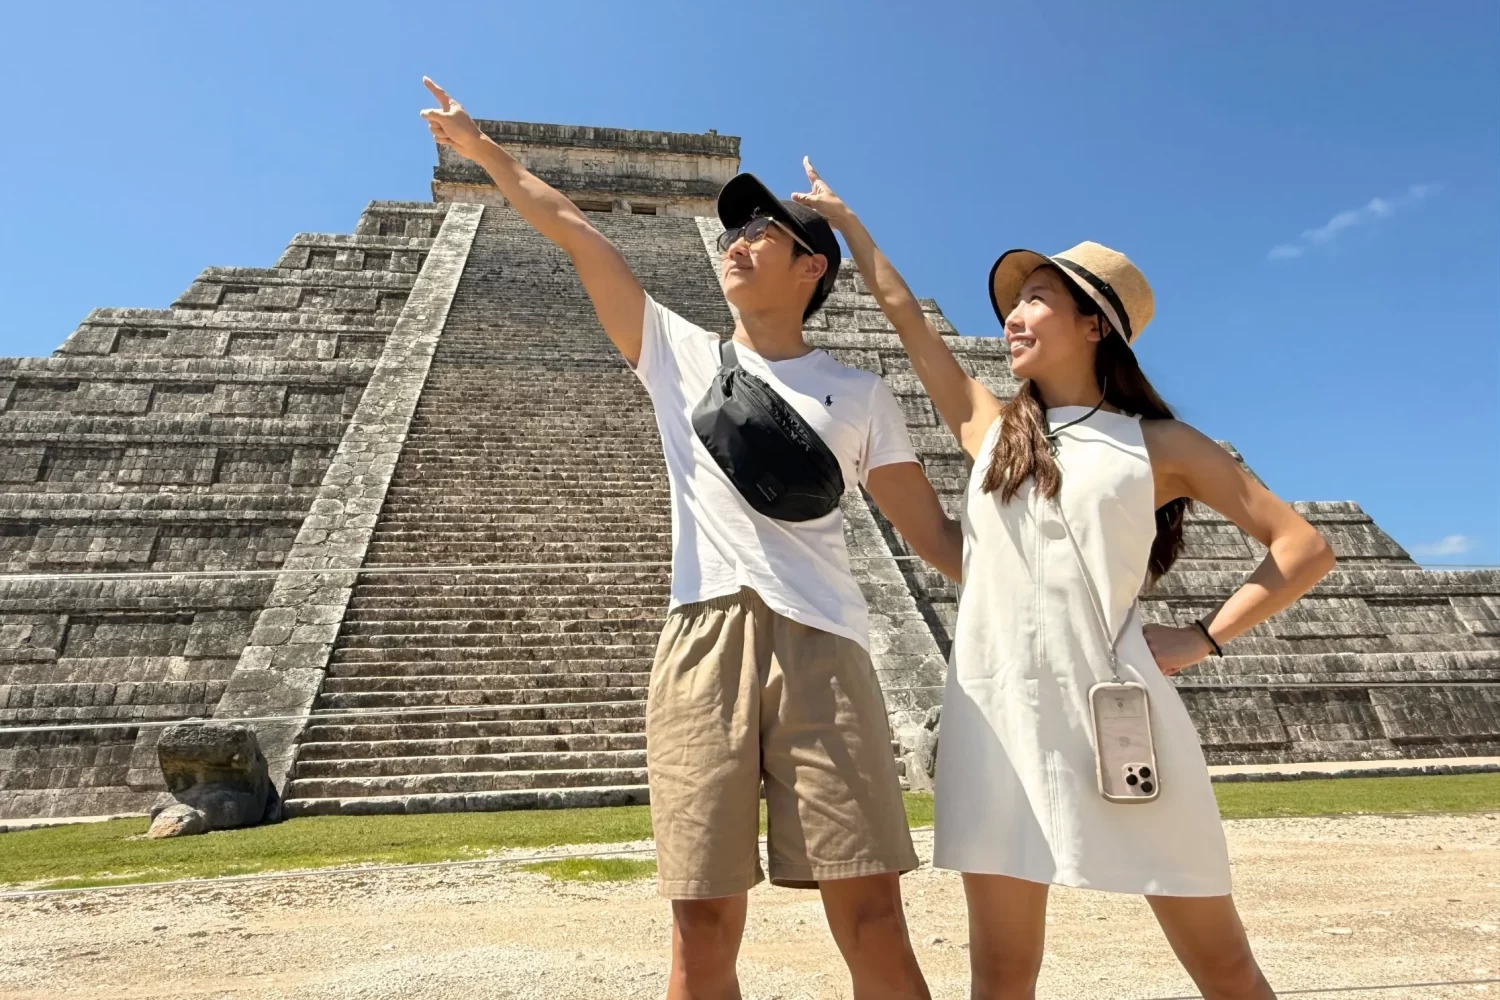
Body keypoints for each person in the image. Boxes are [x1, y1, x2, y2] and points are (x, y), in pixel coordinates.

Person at [420, 81, 961, 999]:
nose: (736, 244)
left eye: (762, 234)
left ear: (811, 270)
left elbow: (938, 542)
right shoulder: (680, 354)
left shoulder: (860, 395)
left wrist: (1059, 573)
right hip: (702, 639)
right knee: (699, 929)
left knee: (871, 918)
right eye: (731, 233)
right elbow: (579, 234)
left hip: (825, 644)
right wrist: (483, 154)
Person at [794, 160, 1336, 1000]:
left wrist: (1199, 638)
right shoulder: (992, 428)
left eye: (1036, 298)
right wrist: (851, 225)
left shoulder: (1162, 445)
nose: (1012, 317)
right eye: (1014, 301)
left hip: (1121, 716)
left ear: (1095, 326)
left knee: (1223, 965)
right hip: (997, 713)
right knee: (1003, 973)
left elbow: (1303, 547)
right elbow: (906, 321)